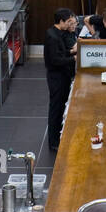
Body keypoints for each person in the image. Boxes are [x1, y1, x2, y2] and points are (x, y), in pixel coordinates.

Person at [44, 8, 78, 150]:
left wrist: (71, 51)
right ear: (61, 21)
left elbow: (60, 52)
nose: (70, 24)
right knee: (56, 108)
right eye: (68, 22)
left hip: (62, 75)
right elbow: (55, 60)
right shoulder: (52, 36)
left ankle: (58, 137)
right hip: (56, 77)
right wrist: (73, 58)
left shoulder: (58, 33)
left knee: (61, 105)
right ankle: (53, 142)